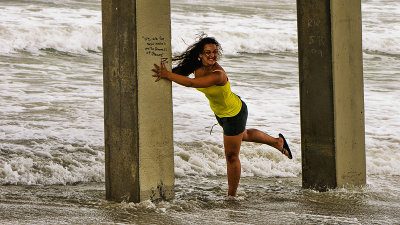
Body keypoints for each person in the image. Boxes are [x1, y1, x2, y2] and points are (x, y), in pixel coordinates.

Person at [152, 35, 292, 197]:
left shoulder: (218, 74)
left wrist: (167, 75)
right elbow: (181, 76)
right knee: (243, 135)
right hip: (222, 114)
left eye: (215, 52)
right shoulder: (197, 67)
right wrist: (165, 72)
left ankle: (231, 196)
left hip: (234, 113)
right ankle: (277, 142)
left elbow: (191, 83)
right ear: (200, 55)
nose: (212, 55)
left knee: (231, 156)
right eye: (208, 52)